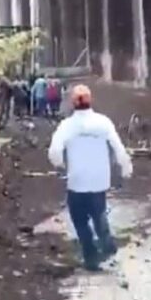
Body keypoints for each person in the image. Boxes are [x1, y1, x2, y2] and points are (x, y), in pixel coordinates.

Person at [47, 85, 133, 271]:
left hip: (77, 180)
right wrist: (126, 166)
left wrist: (59, 164)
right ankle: (107, 244)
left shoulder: (67, 125)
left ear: (72, 103)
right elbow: (118, 147)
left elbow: (54, 151)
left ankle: (90, 254)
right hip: (100, 179)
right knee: (99, 211)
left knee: (79, 219)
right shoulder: (103, 122)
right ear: (90, 100)